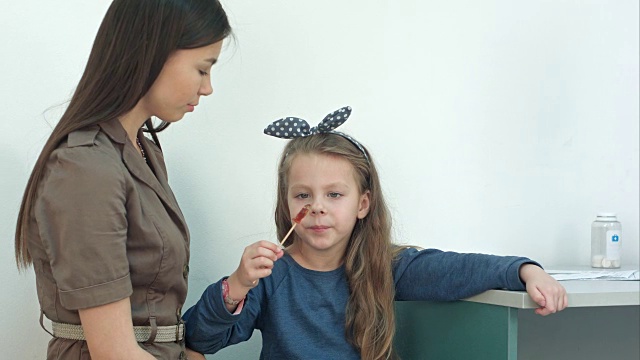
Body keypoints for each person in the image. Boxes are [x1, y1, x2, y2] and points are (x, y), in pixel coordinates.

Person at [182, 107, 568, 360]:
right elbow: (200, 339)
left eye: (334, 194)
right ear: (286, 203)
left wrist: (525, 271)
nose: (317, 207)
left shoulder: (388, 266)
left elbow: (458, 270)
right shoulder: (269, 276)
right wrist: (236, 285)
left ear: (362, 204)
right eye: (303, 195)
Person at [14, 1, 231, 359]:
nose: (207, 87)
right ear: (154, 54)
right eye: (202, 69)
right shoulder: (85, 168)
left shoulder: (143, 151)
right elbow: (115, 352)